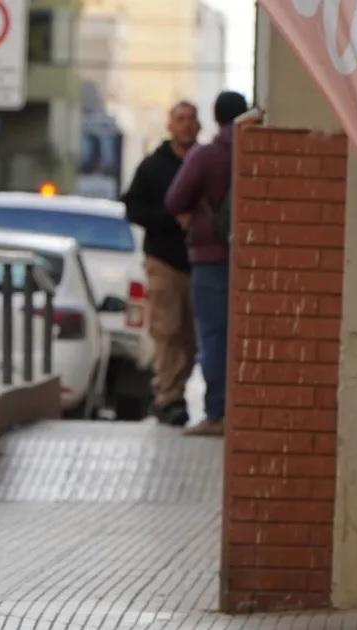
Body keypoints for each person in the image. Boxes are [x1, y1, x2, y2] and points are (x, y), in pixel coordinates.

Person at [164, 91, 249, 437]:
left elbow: (174, 200)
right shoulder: (253, 150)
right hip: (249, 259)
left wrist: (194, 215)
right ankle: (243, 411)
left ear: (214, 118)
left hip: (211, 258)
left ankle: (217, 414)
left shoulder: (208, 155)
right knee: (243, 337)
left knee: (213, 338)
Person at [122, 101, 200, 426]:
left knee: (190, 335)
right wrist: (170, 219)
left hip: (197, 262)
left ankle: (176, 389)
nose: (185, 125)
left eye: (190, 120)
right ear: (170, 126)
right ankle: (168, 396)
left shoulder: (202, 162)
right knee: (166, 331)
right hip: (163, 261)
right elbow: (133, 208)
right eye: (179, 119)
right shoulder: (153, 167)